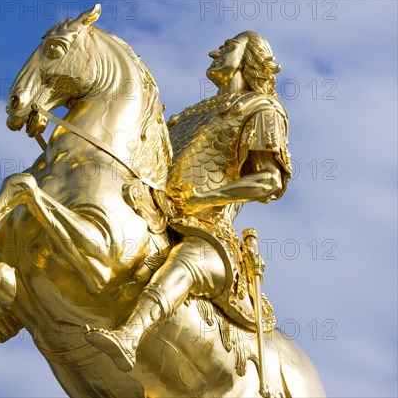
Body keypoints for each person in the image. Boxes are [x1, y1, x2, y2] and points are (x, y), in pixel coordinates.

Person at [84, 30, 293, 372]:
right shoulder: (191, 112)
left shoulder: (263, 109)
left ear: (250, 59)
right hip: (159, 210)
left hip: (209, 230)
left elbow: (269, 180)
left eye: (227, 47)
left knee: (187, 262)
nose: (214, 52)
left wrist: (206, 197)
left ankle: (130, 335)